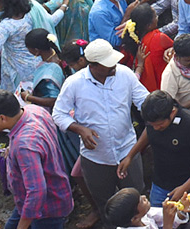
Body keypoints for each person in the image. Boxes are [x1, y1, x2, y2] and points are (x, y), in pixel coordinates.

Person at [51, 38, 149, 217]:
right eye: (108, 64)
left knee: (136, 194)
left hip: (127, 150)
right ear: (93, 66)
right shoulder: (74, 83)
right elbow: (58, 114)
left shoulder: (125, 74)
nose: (114, 66)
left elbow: (144, 101)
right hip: (96, 157)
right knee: (104, 198)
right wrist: (80, 129)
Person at [0, 90, 74, 229]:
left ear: (2, 118)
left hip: (45, 208)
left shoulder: (24, 146)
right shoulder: (34, 111)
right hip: (29, 201)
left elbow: (37, 191)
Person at [118, 92, 190, 205]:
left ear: (172, 113)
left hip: (189, 187)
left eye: (160, 124)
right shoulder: (153, 120)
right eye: (152, 125)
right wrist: (130, 156)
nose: (156, 128)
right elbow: (148, 132)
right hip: (160, 185)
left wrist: (184, 188)